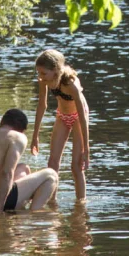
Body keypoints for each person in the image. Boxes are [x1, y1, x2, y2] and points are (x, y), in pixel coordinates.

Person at [31, 48, 90, 202]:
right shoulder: (45, 81)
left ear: (56, 70)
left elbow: (83, 116)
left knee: (76, 166)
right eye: (38, 72)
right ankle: (52, 201)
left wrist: (87, 150)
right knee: (52, 163)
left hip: (78, 117)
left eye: (43, 73)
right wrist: (35, 135)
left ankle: (81, 204)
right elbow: (42, 106)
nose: (40, 76)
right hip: (62, 116)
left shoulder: (70, 84)